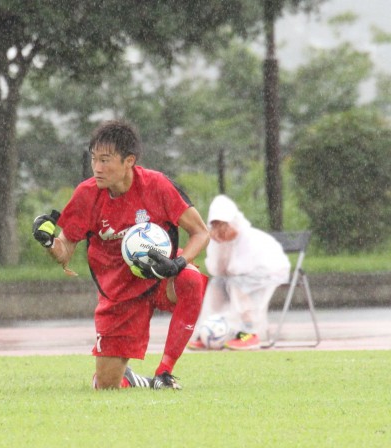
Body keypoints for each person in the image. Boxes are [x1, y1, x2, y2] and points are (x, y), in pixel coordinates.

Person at [33, 120, 209, 390]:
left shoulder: (157, 186)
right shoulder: (87, 194)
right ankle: (132, 379)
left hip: (161, 278)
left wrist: (178, 263)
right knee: (106, 386)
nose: (97, 168)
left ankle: (164, 373)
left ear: (129, 161)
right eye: (94, 159)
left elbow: (200, 232)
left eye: (105, 160)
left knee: (191, 280)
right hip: (119, 294)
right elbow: (65, 250)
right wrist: (48, 242)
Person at [188, 194, 291, 350]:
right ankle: (208, 331)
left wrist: (229, 269)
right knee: (216, 284)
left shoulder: (248, 238)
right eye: (217, 226)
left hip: (270, 271)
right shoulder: (218, 241)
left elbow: (240, 269)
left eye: (224, 225)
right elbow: (217, 270)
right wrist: (221, 247)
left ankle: (249, 332)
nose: (221, 230)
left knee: (237, 284)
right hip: (239, 276)